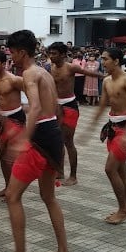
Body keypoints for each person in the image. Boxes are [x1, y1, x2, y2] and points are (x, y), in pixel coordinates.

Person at [0, 30, 71, 252]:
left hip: (39, 138)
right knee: (48, 197)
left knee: (12, 195)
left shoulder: (29, 73)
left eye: (12, 53)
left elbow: (36, 107)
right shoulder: (44, 72)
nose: (11, 57)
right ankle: (63, 251)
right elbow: (55, 109)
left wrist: (23, 140)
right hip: (52, 135)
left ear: (22, 52)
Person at [82, 48, 126, 225]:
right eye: (102, 58)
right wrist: (90, 127)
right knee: (120, 169)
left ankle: (122, 210)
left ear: (116, 61)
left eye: (105, 59)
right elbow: (102, 106)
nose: (103, 62)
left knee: (110, 169)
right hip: (113, 128)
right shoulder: (106, 80)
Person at [46, 42, 103, 186]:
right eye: (50, 53)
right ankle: (59, 171)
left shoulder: (71, 67)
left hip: (70, 106)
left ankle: (73, 176)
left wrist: (112, 75)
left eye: (54, 54)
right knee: (56, 140)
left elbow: (92, 74)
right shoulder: (50, 67)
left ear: (63, 55)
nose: (51, 56)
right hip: (55, 106)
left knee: (68, 141)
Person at [0, 50, 27, 197]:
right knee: (2, 154)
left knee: (13, 157)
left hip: (16, 119)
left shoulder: (14, 80)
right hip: (2, 120)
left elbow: (33, 91)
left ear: (4, 64)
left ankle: (15, 190)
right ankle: (7, 187)